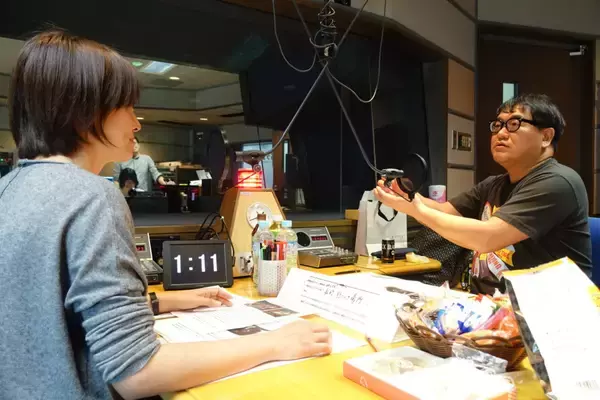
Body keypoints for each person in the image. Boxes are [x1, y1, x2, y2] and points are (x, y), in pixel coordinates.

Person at [0, 30, 331, 400]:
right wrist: (275, 343)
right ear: (84, 112)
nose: (137, 123)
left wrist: (160, 303)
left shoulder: (9, 189)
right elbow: (137, 373)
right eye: (127, 107)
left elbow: (44, 310)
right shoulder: (92, 197)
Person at [374, 94, 591, 294]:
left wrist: (416, 210)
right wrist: (405, 193)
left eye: (514, 124)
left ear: (546, 136)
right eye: (497, 125)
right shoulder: (493, 184)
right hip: (487, 304)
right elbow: (444, 211)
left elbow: (488, 237)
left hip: (546, 311)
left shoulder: (558, 182)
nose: (501, 133)